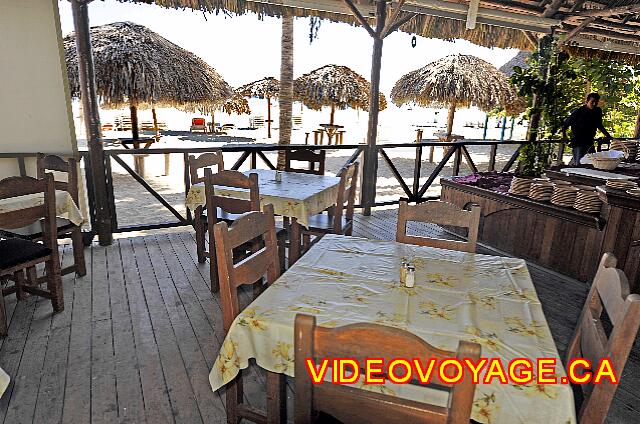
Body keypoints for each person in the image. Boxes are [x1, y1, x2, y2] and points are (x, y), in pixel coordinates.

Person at [562, 93, 612, 165]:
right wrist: (564, 136)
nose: (594, 104)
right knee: (579, 163)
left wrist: (608, 136)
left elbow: (599, 125)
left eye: (596, 102)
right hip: (578, 141)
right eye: (592, 102)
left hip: (589, 141)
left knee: (592, 162)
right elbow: (565, 125)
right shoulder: (578, 112)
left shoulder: (597, 111)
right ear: (587, 102)